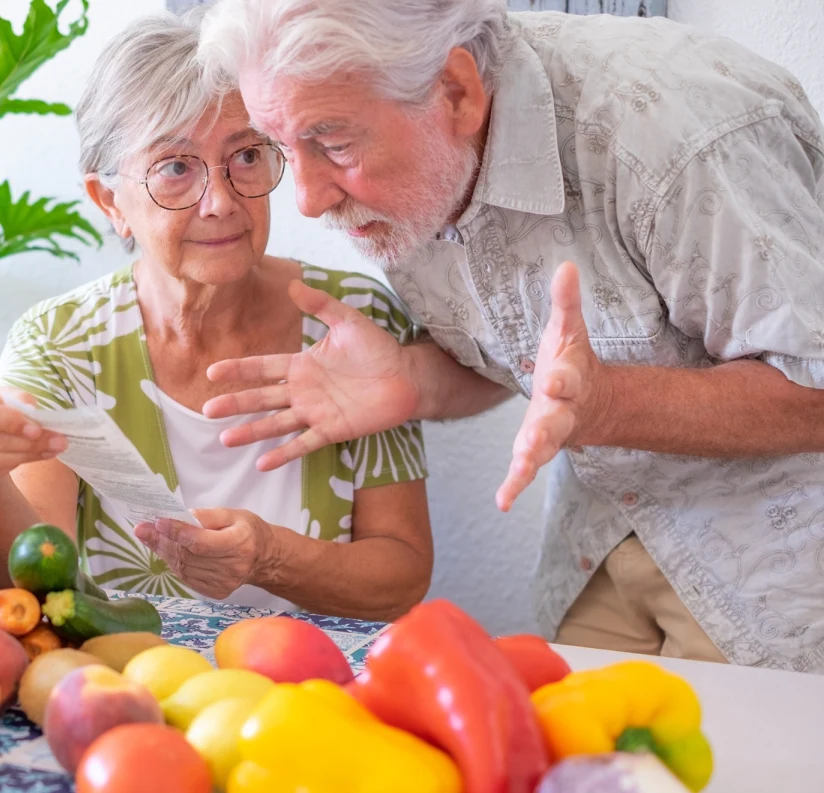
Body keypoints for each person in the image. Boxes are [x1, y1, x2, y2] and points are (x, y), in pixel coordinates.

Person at [197, 0, 824, 671]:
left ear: (457, 91)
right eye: (281, 146)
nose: (309, 200)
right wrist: (414, 381)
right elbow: (533, 369)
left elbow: (813, 382)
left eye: (335, 144)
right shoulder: (393, 155)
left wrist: (609, 404)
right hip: (603, 538)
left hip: (776, 576)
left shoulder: (675, 138)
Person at [0, 12, 433, 620]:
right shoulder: (58, 345)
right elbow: (27, 580)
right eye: (175, 167)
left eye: (246, 155)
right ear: (110, 200)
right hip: (130, 678)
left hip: (316, 689)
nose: (220, 202)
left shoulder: (352, 319)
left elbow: (401, 575)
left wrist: (269, 556)